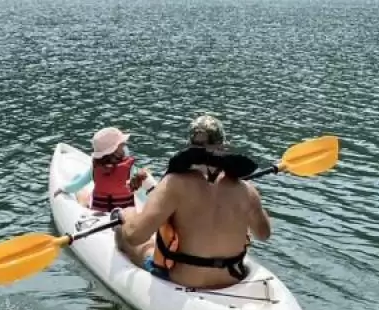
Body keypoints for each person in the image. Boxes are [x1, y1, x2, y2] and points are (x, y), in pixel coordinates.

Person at [114, 114, 270, 288]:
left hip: (184, 280)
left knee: (126, 233)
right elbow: (264, 235)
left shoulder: (174, 183)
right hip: (232, 280)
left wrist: (127, 217)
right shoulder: (246, 190)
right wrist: (254, 205)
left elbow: (136, 236)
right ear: (224, 146)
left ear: (189, 146)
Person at [56, 126, 153, 214]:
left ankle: (83, 204)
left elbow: (76, 185)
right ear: (116, 150)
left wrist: (63, 189)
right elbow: (141, 192)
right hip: (125, 215)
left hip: (99, 213)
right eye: (122, 145)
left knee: (81, 190)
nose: (125, 146)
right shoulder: (130, 169)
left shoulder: (94, 169)